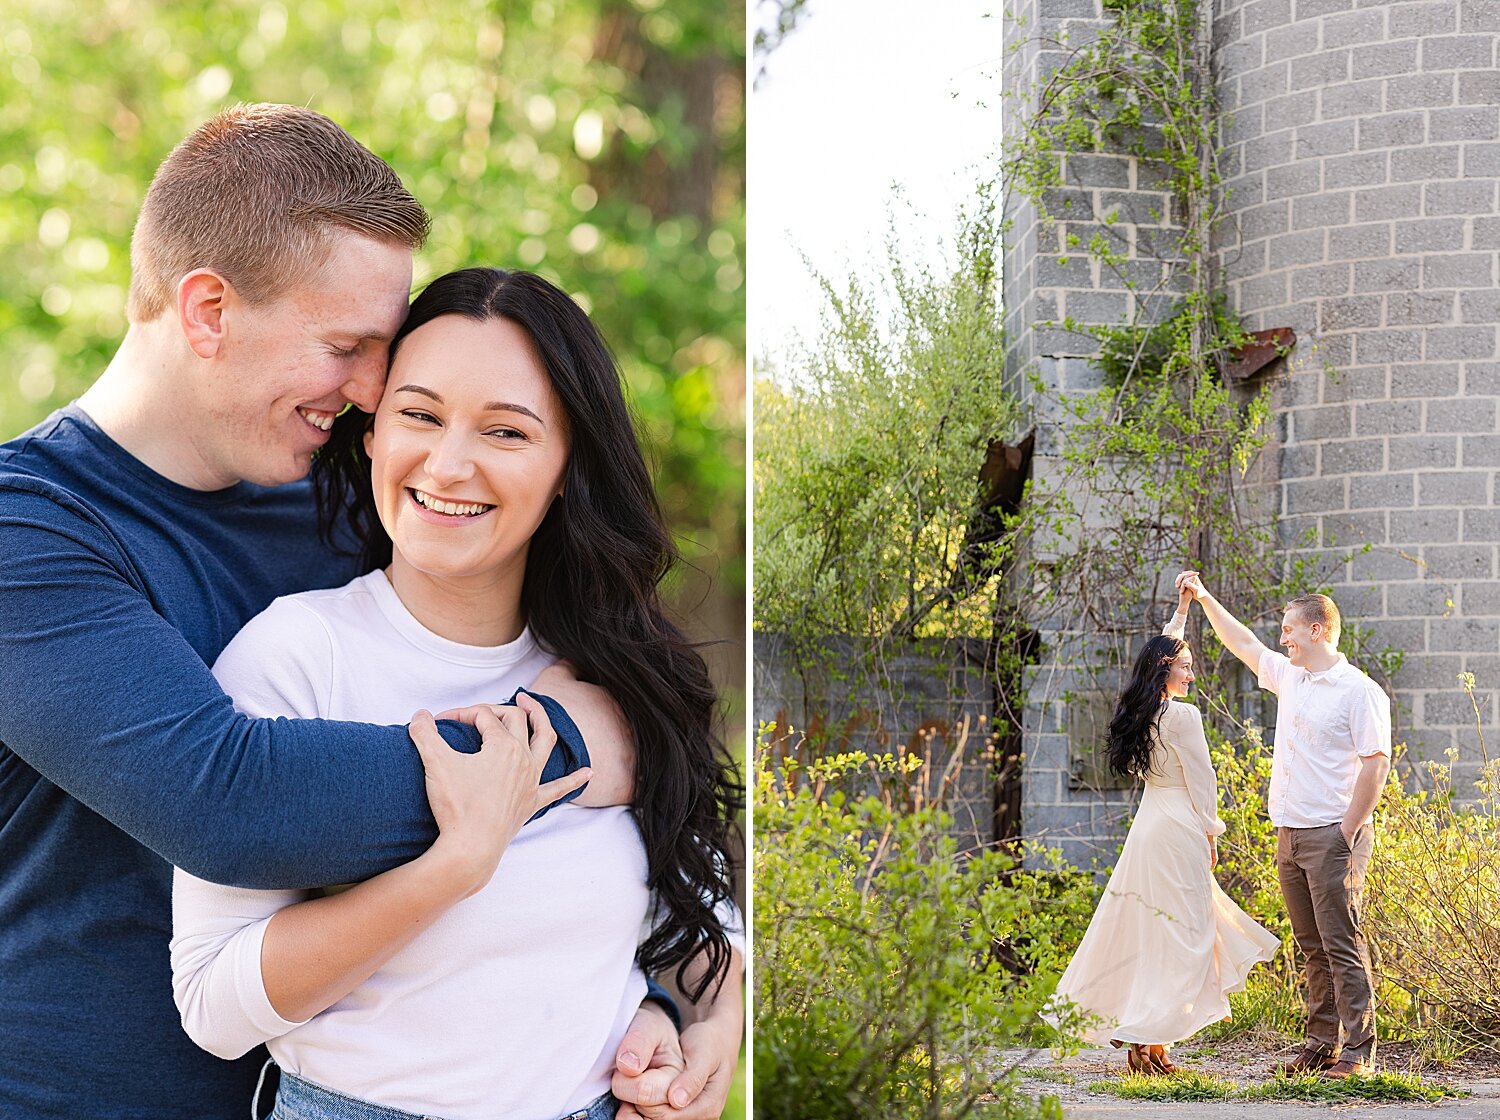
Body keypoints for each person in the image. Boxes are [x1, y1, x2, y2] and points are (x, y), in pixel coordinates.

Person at [0, 104, 739, 1120]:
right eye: (345, 346)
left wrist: (686, 995)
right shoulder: (30, 532)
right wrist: (572, 739)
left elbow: (591, 884)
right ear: (208, 310)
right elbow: (231, 802)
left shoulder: (351, 504)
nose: (370, 391)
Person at [169, 266, 740, 1120]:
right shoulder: (296, 657)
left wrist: (704, 1025)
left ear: (565, 465)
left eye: (506, 432)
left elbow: (702, 912)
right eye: (419, 415)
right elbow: (212, 1006)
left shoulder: (618, 674)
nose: (449, 463)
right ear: (370, 433)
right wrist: (453, 868)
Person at [1044, 584, 1279, 1073]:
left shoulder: (1140, 711)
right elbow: (1203, 780)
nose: (1192, 674)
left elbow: (1164, 646)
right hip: (1179, 826)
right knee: (1184, 936)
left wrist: (1183, 610)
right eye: (1186, 666)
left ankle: (1150, 1046)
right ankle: (1144, 1036)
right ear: (1165, 670)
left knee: (1150, 930)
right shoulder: (1185, 716)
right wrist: (1212, 836)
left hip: (1148, 825)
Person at [1176, 572, 1391, 1079]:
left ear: (1318, 630)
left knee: (1342, 943)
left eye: (1290, 629)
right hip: (1289, 835)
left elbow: (1376, 764)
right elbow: (1244, 643)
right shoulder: (1290, 677)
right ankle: (1322, 1043)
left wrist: (1346, 832)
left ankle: (1360, 1052)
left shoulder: (1360, 692)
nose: (1282, 638)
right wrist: (1204, 598)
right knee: (1311, 946)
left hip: (1332, 836)